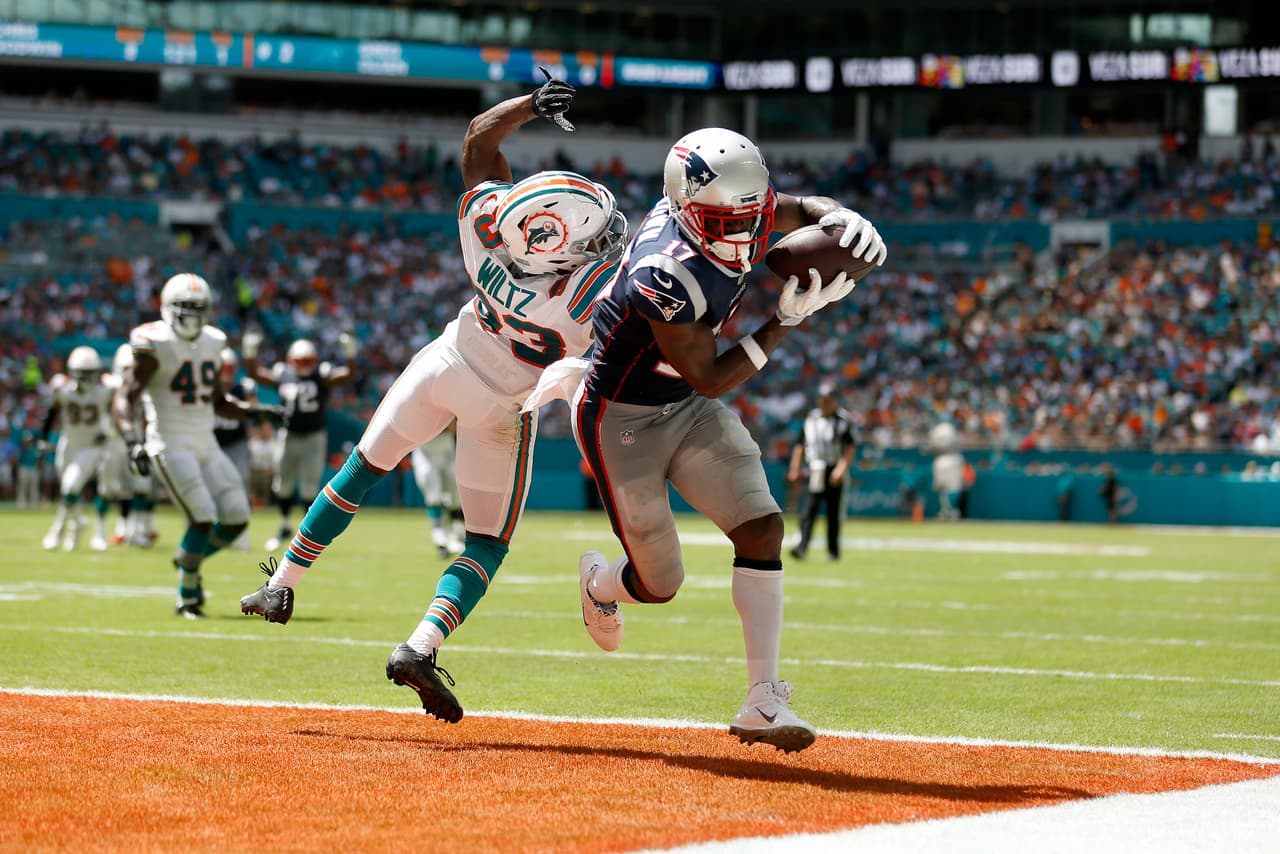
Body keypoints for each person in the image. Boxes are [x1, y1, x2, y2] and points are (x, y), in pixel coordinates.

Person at [239, 69, 627, 724]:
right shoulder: (588, 295)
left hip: (446, 362)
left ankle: (281, 587)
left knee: (359, 473)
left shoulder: (485, 227)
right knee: (485, 544)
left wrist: (528, 105)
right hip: (503, 407)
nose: (604, 240)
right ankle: (420, 646)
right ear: (565, 243)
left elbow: (478, 142)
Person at [570, 127, 886, 753]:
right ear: (687, 209)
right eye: (726, 221)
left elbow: (793, 208)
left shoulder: (735, 205)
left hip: (681, 405)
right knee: (660, 584)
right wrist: (784, 322)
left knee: (763, 526)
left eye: (749, 216)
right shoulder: (663, 270)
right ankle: (601, 584)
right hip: (621, 417)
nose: (745, 235)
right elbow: (711, 376)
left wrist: (842, 217)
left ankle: (762, 700)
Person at [113, 273, 281, 618]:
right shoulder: (152, 342)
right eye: (185, 307)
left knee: (236, 517)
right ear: (168, 308)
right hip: (169, 442)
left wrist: (255, 411)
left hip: (205, 441)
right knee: (202, 517)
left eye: (198, 308)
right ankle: (186, 595)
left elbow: (218, 401)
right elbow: (124, 397)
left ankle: (188, 559)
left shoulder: (213, 341)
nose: (191, 315)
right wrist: (133, 441)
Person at [241, 334, 358, 551]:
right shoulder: (283, 374)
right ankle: (285, 525)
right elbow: (254, 374)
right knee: (282, 483)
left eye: (307, 362)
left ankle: (308, 533)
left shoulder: (321, 375)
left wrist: (350, 355)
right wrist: (249, 354)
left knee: (309, 486)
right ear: (290, 361)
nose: (303, 366)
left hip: (314, 436)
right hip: (289, 434)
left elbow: (349, 374)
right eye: (300, 362)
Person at [40, 346, 112, 551]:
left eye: (90, 373)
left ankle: (61, 527)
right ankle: (76, 523)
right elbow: (52, 412)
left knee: (71, 487)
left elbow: (117, 414)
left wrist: (108, 431)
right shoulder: (62, 389)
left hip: (91, 447)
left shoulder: (106, 390)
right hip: (68, 444)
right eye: (82, 372)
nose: (86, 377)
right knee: (67, 490)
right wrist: (44, 438)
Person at [786, 381, 855, 562]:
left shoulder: (843, 421)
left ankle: (833, 551)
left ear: (835, 401)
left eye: (828, 400)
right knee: (809, 510)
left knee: (834, 512)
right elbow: (800, 445)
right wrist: (795, 467)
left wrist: (841, 469)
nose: (824, 403)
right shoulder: (811, 420)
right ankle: (802, 547)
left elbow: (849, 447)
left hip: (834, 467)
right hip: (816, 468)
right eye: (822, 399)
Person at [213, 347, 257, 550]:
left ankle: (241, 535)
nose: (227, 372)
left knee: (239, 488)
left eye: (230, 368)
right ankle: (215, 535)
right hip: (213, 445)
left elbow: (252, 412)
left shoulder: (241, 389)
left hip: (236, 444)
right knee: (212, 491)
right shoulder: (208, 390)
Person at [410, 424, 465, 558]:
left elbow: (457, 425)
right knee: (434, 497)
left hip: (447, 449)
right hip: (425, 451)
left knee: (456, 497)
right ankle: (440, 540)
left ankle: (459, 536)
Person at [929, 422, 965, 521]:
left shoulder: (941, 432)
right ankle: (948, 511)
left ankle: (950, 511)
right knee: (944, 488)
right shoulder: (947, 430)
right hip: (947, 460)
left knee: (950, 488)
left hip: (947, 460)